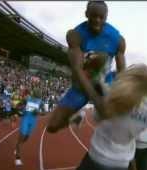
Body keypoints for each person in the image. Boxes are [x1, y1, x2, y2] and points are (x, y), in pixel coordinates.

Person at [47, 1, 126, 133]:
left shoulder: (118, 39)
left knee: (101, 57)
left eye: (101, 17)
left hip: (105, 81)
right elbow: (77, 70)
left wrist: (119, 93)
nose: (97, 20)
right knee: (52, 127)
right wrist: (94, 98)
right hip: (83, 82)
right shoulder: (75, 35)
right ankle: (76, 117)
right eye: (93, 16)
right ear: (86, 14)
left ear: (106, 17)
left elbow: (122, 72)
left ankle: (102, 88)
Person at [71, 64, 147, 170]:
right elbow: (136, 134)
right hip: (123, 163)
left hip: (100, 157)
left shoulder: (114, 95)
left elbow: (96, 117)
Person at [14, 88, 43, 166]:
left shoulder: (40, 102)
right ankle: (17, 158)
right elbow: (17, 106)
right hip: (26, 119)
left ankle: (17, 146)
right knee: (22, 136)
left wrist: (38, 112)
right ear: (34, 93)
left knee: (26, 138)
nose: (39, 94)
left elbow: (43, 112)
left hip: (33, 121)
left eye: (40, 93)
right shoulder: (27, 99)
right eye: (38, 92)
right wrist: (21, 108)